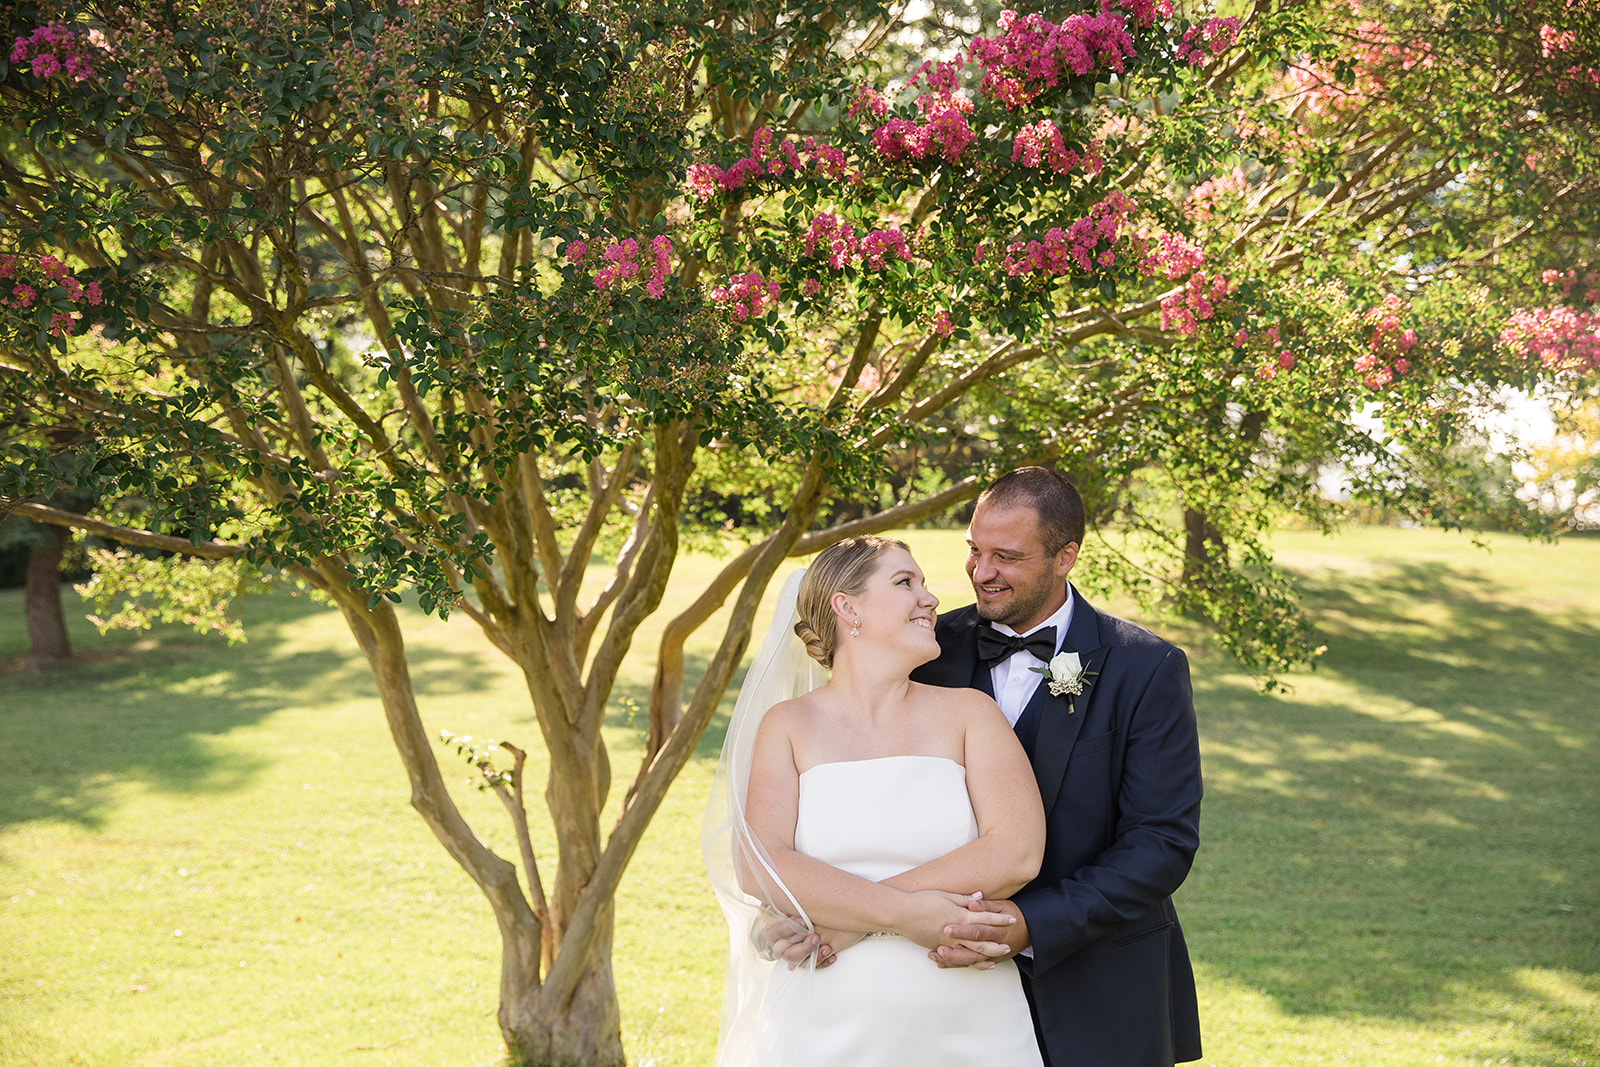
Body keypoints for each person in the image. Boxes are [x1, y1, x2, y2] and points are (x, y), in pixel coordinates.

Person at [703, 536, 1048, 1066]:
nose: (931, 598)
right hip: (821, 1022)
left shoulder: (970, 714)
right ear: (848, 607)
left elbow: (1016, 851)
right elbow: (760, 862)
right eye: (905, 582)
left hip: (967, 1022)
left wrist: (848, 922)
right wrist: (905, 914)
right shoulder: (789, 726)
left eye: (924, 584)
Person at [911, 466, 1204, 1067]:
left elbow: (1160, 841)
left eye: (1007, 556)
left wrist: (1032, 924)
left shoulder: (1145, 669)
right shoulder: (925, 654)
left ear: (1066, 556)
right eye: (974, 550)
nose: (981, 572)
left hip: (1101, 990)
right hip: (937, 983)